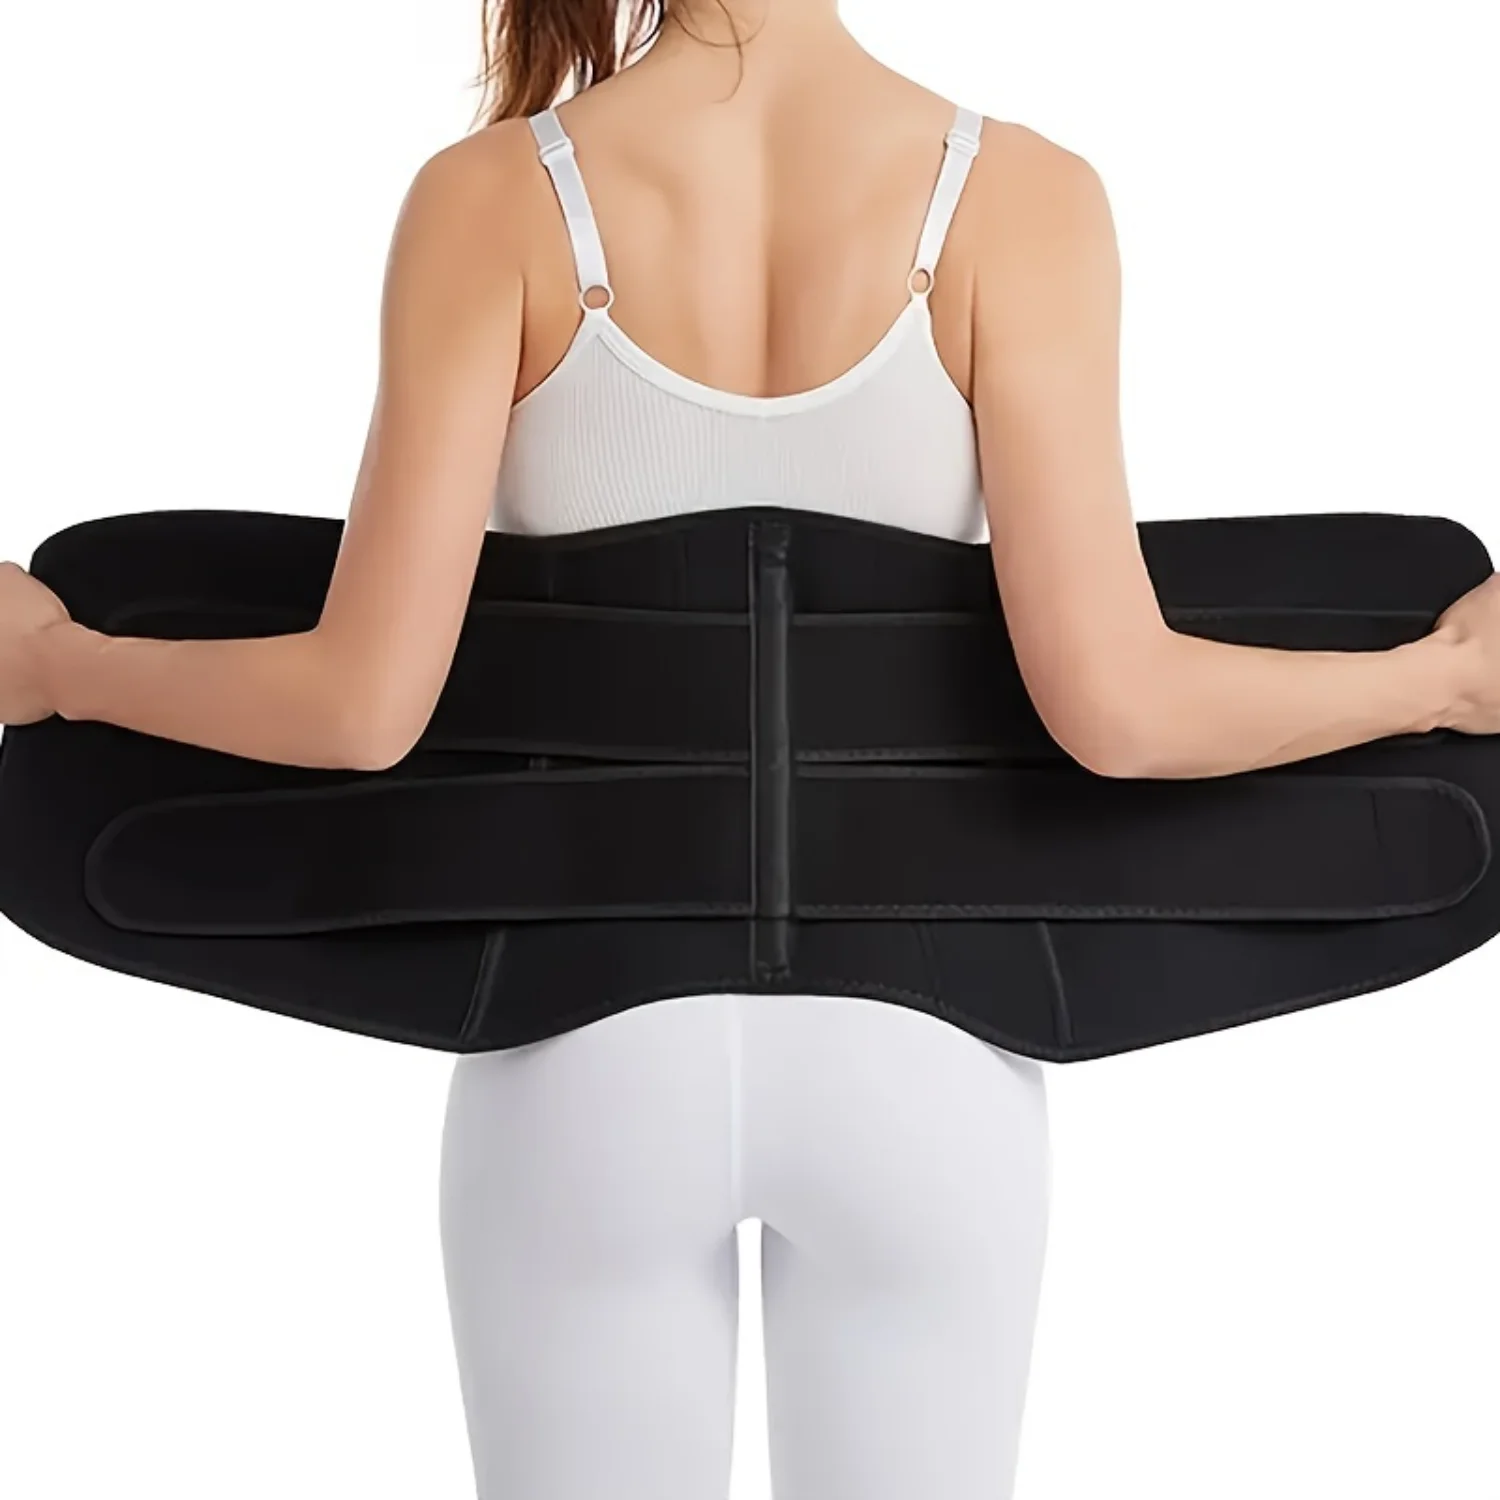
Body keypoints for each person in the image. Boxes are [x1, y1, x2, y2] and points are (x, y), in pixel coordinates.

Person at [2, 2, 1500, 1496]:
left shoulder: (493, 201)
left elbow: (361, 704)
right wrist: (1436, 682)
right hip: (925, 1067)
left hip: (584, 1059)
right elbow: (1119, 707)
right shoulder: (1022, 199)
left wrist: (62, 665)